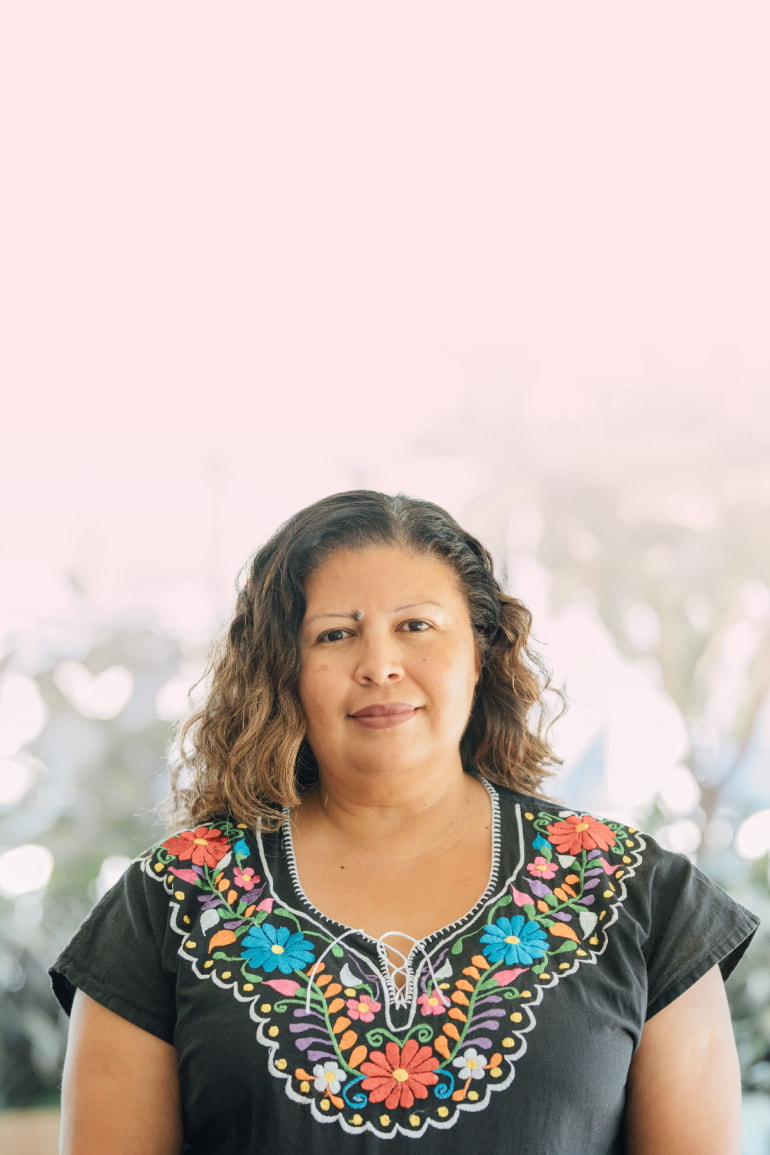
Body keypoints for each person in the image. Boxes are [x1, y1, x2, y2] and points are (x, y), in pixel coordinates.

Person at [51, 490, 758, 1154]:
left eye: (415, 625)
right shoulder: (169, 901)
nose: (380, 664)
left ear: (481, 652)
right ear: (283, 668)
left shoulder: (636, 895)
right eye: (334, 634)